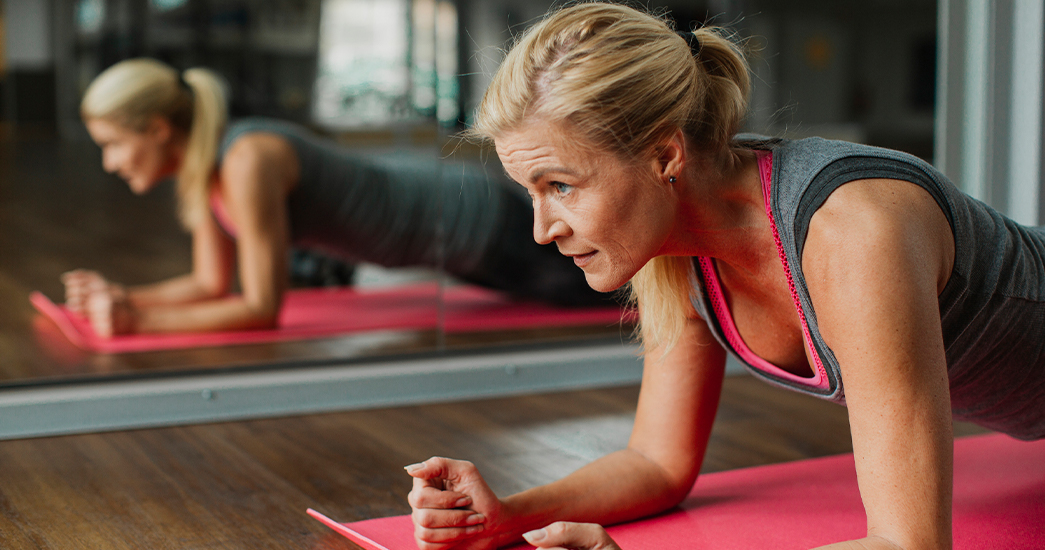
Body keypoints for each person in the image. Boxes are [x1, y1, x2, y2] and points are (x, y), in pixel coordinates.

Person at [404, 3, 1045, 550]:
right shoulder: (676, 253)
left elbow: (908, 544)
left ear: (665, 154)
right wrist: (506, 518)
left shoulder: (852, 228)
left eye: (562, 186)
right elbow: (657, 461)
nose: (543, 229)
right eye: (533, 193)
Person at [64, 58, 610, 337]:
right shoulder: (208, 171)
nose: (111, 163)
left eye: (113, 145)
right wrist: (123, 298)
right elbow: (209, 285)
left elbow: (259, 309)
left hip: (476, 223)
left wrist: (138, 321)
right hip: (458, 247)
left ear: (158, 128)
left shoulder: (247, 159)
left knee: (628, 299)